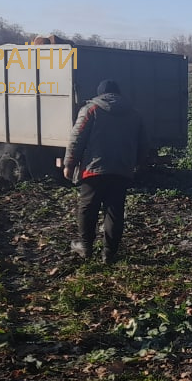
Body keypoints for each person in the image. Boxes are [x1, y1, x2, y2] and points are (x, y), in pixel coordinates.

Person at [63, 80, 150, 264]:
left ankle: (85, 247)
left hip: (94, 170)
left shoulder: (91, 110)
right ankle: (109, 254)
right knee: (114, 212)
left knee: (88, 209)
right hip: (121, 170)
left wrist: (69, 164)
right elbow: (143, 143)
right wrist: (139, 165)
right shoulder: (134, 114)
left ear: (100, 94)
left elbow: (76, 138)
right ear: (118, 94)